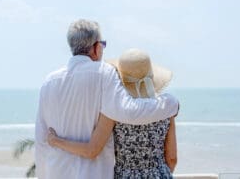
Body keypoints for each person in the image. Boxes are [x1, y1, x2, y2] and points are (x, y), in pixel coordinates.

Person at [35, 19, 179, 179]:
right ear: (96, 47)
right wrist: (170, 104)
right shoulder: (104, 73)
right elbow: (130, 112)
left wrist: (55, 143)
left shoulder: (49, 81)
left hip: (58, 173)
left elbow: (41, 141)